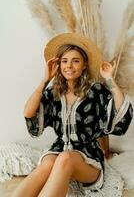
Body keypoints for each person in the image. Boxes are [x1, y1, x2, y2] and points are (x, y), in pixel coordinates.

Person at [12, 33, 133, 197]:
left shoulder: (95, 91)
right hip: (59, 149)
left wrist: (109, 79)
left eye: (75, 61)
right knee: (47, 164)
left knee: (65, 159)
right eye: (64, 61)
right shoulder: (54, 92)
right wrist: (45, 80)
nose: (69, 65)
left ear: (84, 65)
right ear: (59, 65)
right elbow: (28, 112)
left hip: (88, 157)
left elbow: (121, 111)